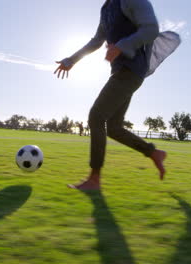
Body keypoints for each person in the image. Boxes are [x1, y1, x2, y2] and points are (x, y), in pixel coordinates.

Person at [55, 0, 180, 190]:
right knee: (113, 128)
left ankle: (94, 180)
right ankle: (153, 153)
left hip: (131, 70)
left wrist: (122, 45)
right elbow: (97, 40)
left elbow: (151, 29)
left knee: (96, 115)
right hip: (121, 71)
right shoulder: (106, 8)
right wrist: (72, 60)